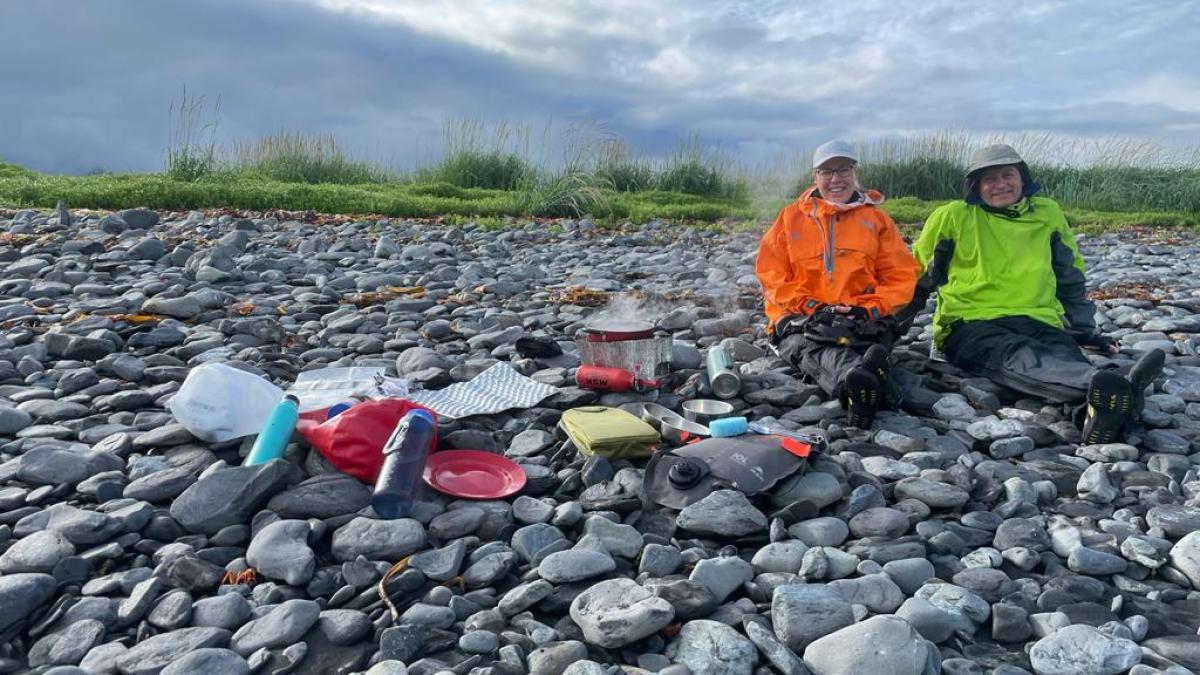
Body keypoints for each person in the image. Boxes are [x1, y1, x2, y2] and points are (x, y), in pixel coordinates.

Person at [912, 143, 1165, 444]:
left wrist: (1084, 331)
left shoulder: (1047, 213)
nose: (1001, 184)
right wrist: (887, 326)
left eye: (1008, 174)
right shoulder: (952, 216)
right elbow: (911, 272)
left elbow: (1069, 276)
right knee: (1022, 358)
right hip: (971, 324)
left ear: (1023, 178)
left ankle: (1095, 413)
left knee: (1060, 355)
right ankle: (1118, 385)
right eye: (989, 179)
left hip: (1039, 320)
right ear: (975, 185)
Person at [757, 139, 921, 427]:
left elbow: (901, 276)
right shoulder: (790, 218)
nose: (836, 179)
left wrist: (868, 309)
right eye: (826, 171)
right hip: (804, 317)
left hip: (859, 317)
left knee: (869, 334)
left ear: (855, 173)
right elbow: (771, 275)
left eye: (843, 169)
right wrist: (812, 307)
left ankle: (860, 384)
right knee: (812, 344)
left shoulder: (877, 220)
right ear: (815, 177)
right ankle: (858, 381)